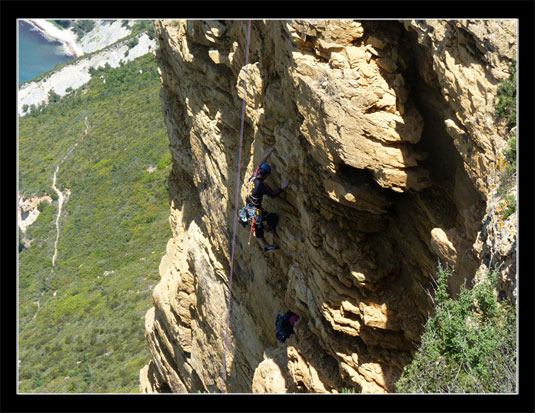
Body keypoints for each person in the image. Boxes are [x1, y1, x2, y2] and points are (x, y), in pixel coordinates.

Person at [244, 147, 290, 251]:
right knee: (269, 220)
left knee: (260, 224)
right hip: (255, 211)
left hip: (249, 208)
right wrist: (283, 187)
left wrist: (268, 153)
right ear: (265, 175)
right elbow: (273, 194)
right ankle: (266, 245)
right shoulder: (261, 185)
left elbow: (260, 164)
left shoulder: (253, 178)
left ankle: (268, 230)